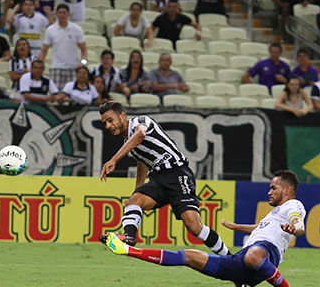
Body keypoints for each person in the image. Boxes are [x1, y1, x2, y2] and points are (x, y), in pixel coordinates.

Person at [101, 170, 320, 287]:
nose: (269, 192)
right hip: (242, 259)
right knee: (187, 256)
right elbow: (263, 227)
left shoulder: (294, 205)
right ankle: (128, 250)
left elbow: (298, 223)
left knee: (253, 256)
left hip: (264, 253)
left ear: (287, 189)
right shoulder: (275, 214)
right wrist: (236, 227)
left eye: (273, 187)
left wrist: (296, 228)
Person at [98, 101, 230, 255]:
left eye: (110, 120)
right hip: (159, 178)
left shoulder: (140, 122)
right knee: (133, 202)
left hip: (177, 173)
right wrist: (137, 190)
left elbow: (140, 135)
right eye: (105, 123)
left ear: (122, 116)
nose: (108, 126)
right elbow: (143, 162)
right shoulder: (129, 143)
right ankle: (129, 237)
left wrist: (114, 159)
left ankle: (230, 259)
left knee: (194, 227)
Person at [38, 4, 87, 89]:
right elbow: (44, 50)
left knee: (73, 94)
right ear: (56, 14)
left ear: (68, 15)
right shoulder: (50, 30)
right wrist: (39, 64)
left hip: (73, 68)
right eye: (59, 12)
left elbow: (84, 49)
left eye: (64, 13)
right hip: (56, 68)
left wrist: (82, 63)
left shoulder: (76, 29)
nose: (61, 15)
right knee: (56, 95)